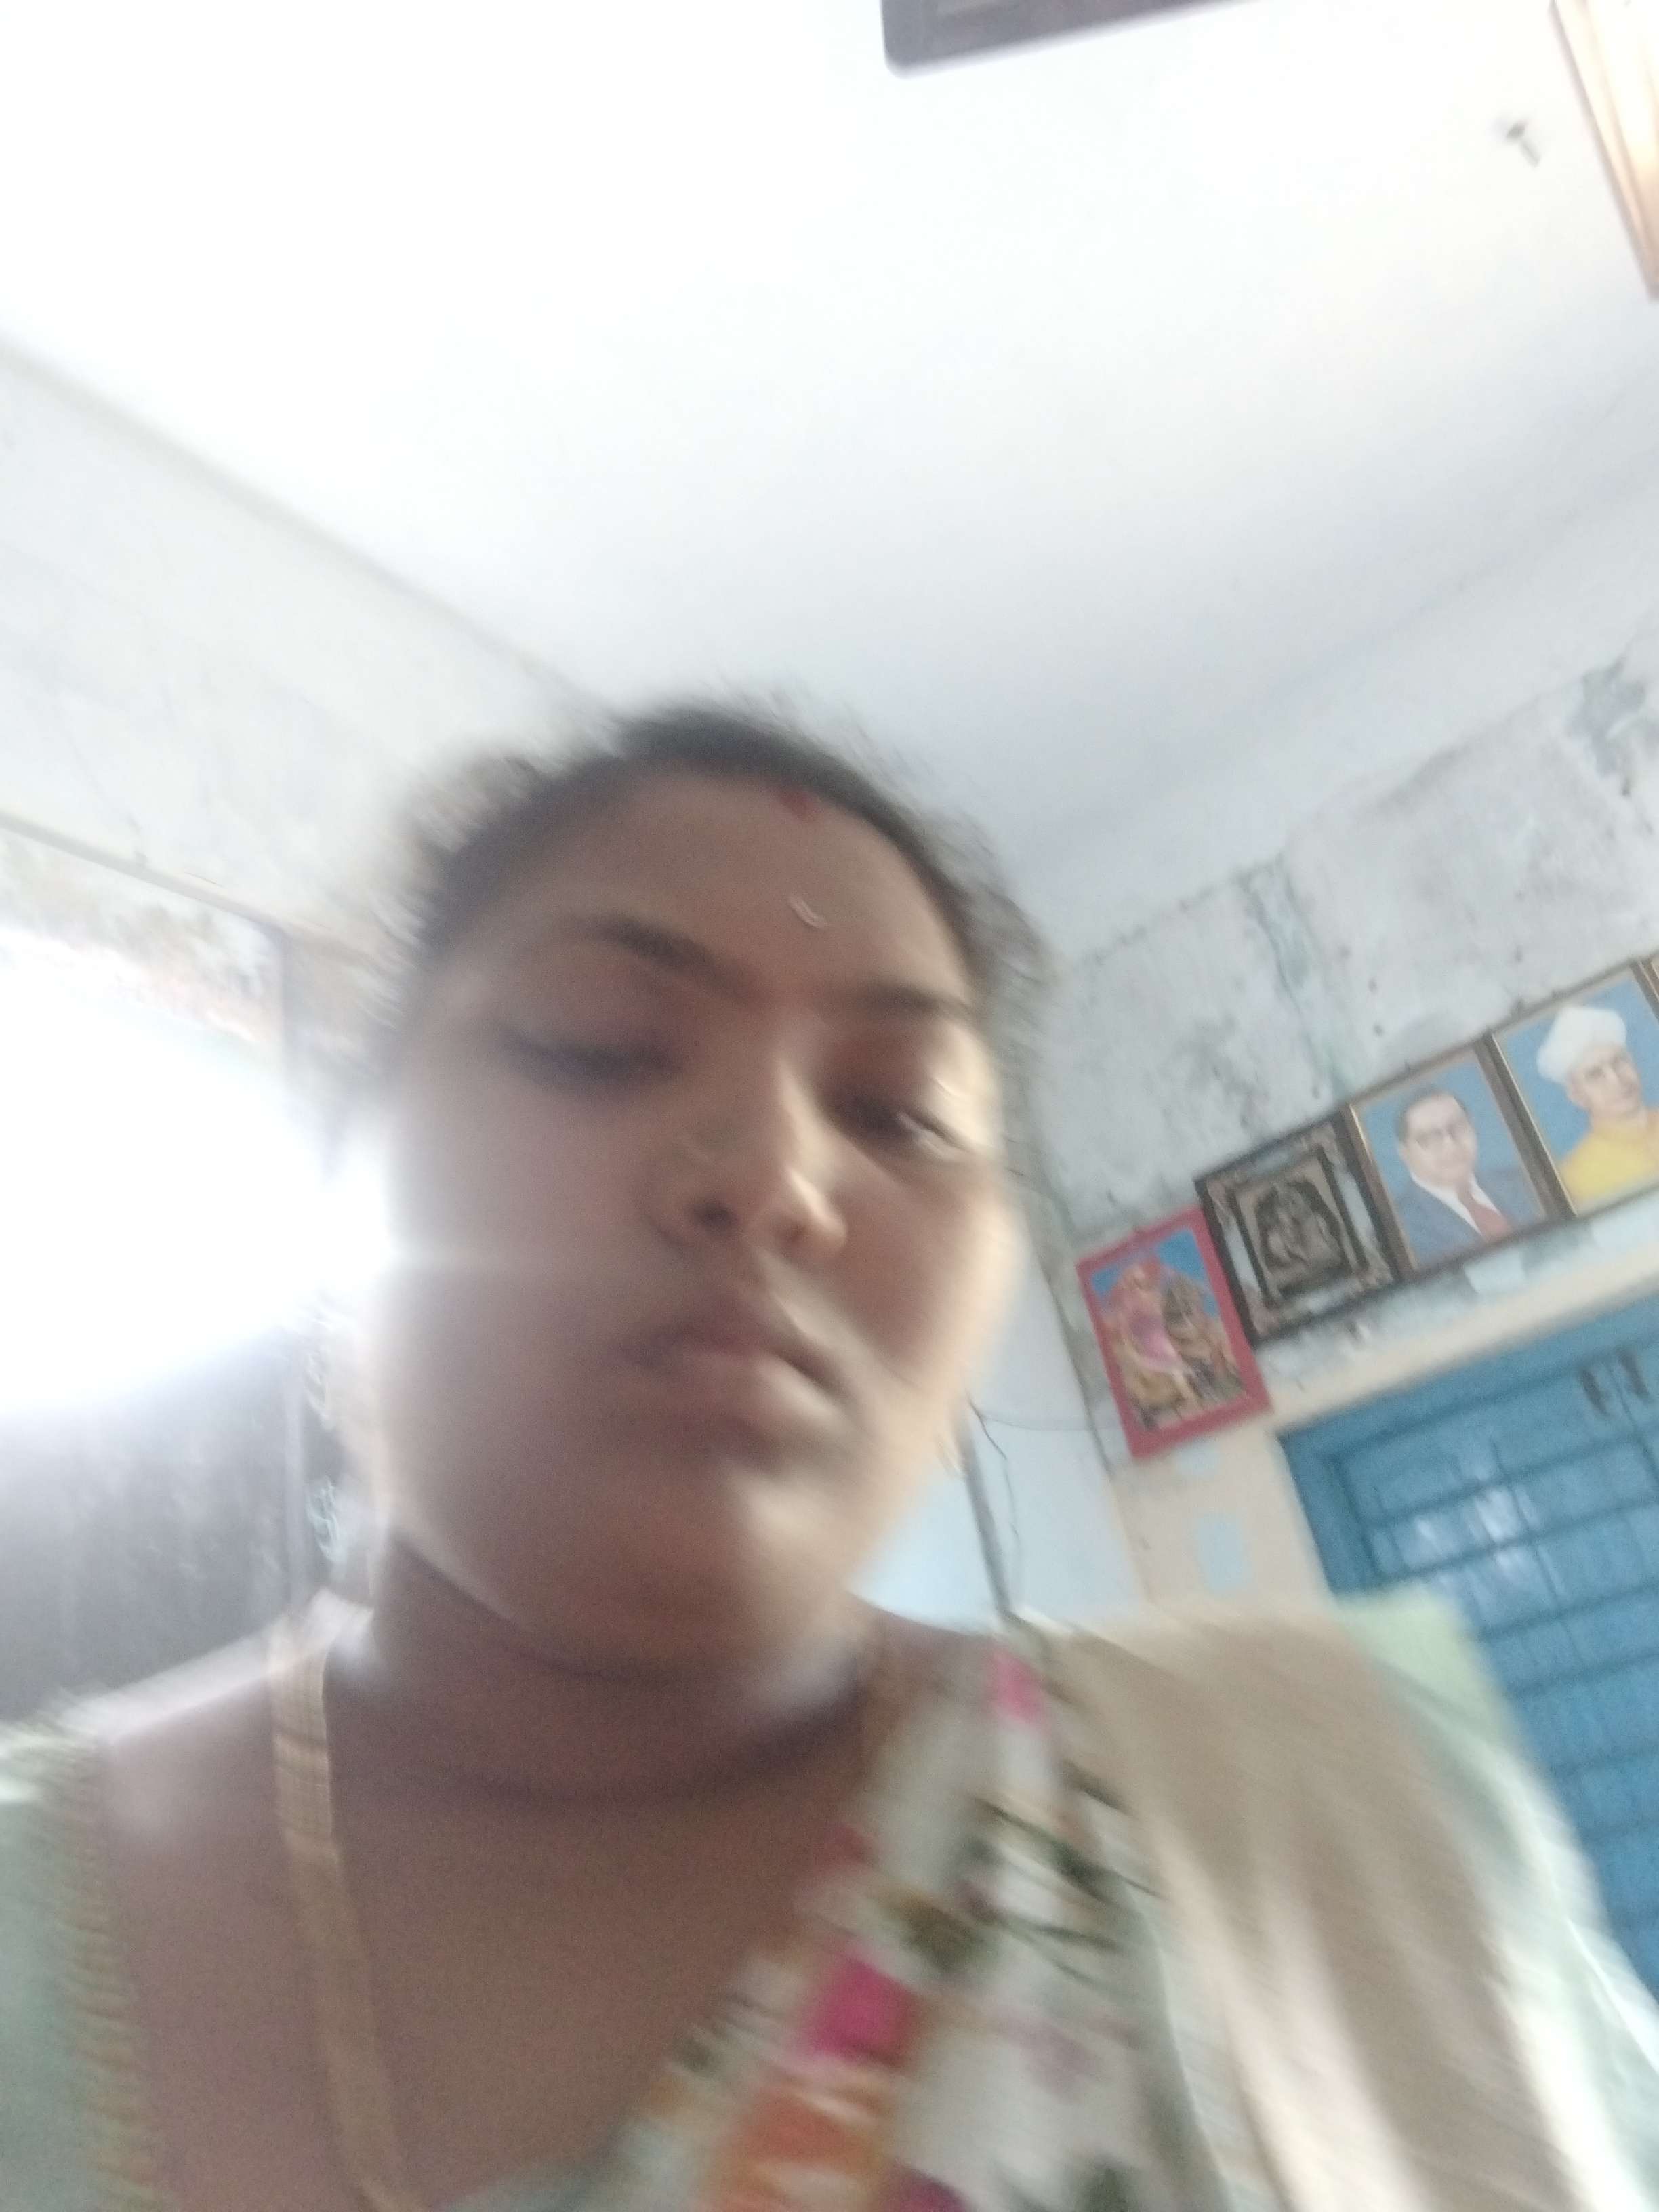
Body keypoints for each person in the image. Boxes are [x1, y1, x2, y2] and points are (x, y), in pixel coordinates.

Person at [3, 704, 1657, 2212]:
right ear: (344, 1173)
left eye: (898, 1111)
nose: (778, 1177)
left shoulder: (1327, 1814)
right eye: (597, 1040)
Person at [1387, 1085, 1540, 1267]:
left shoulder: (1522, 1181)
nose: (1451, 1145)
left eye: (1458, 1127)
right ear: (1404, 1152)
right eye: (1430, 1137)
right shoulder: (1399, 1229)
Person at [1538, 1000, 1659, 1207]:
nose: (1617, 1080)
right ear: (1577, 1095)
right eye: (1595, 1074)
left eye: (1619, 1062)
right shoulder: (1578, 1175)